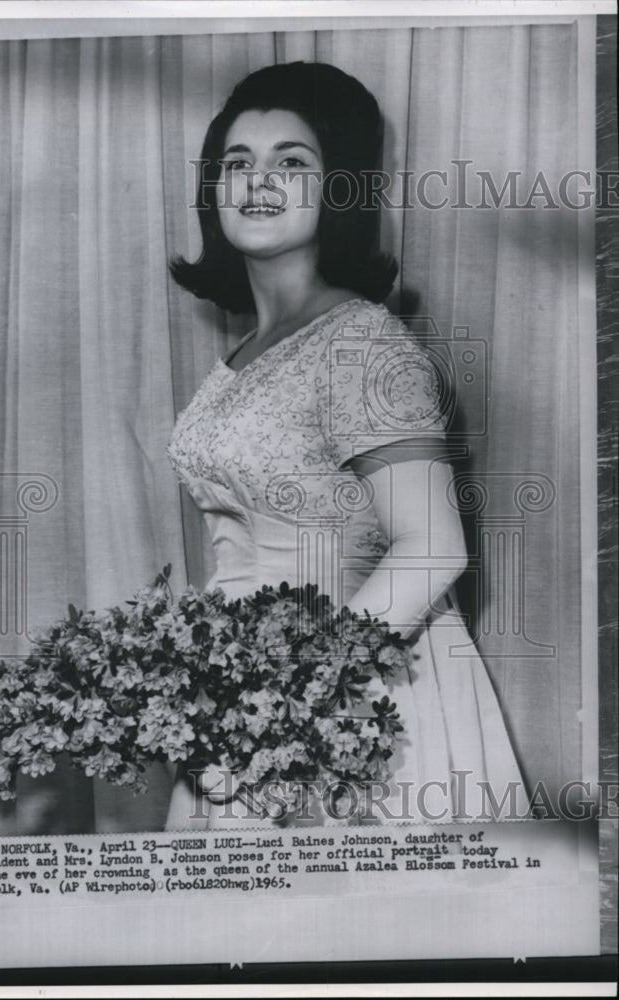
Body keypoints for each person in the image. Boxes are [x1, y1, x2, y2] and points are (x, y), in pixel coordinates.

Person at [164, 62, 528, 830]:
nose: (257, 182)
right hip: (245, 691)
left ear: (340, 187)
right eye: (237, 163)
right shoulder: (248, 348)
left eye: (291, 162)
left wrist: (302, 693)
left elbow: (433, 549)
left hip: (357, 694)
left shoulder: (362, 341)